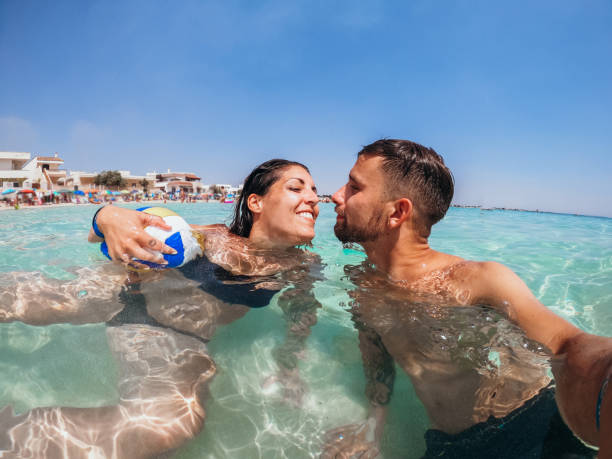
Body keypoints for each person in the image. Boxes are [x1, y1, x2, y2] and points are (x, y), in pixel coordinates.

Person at [0, 159, 322, 458]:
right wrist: (107, 216)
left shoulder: (303, 265)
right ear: (256, 202)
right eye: (297, 188)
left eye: (314, 191)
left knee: (172, 423)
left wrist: (289, 368)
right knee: (9, 299)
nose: (312, 198)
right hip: (115, 291)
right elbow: (100, 234)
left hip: (166, 333)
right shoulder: (211, 237)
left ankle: (14, 438)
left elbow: (303, 314)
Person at [321, 139, 611, 458]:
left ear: (397, 212)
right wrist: (372, 431)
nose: (336, 195)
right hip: (449, 445)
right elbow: (377, 362)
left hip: (531, 431)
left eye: (353, 187)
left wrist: (605, 372)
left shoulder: (477, 280)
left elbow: (565, 344)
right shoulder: (362, 282)